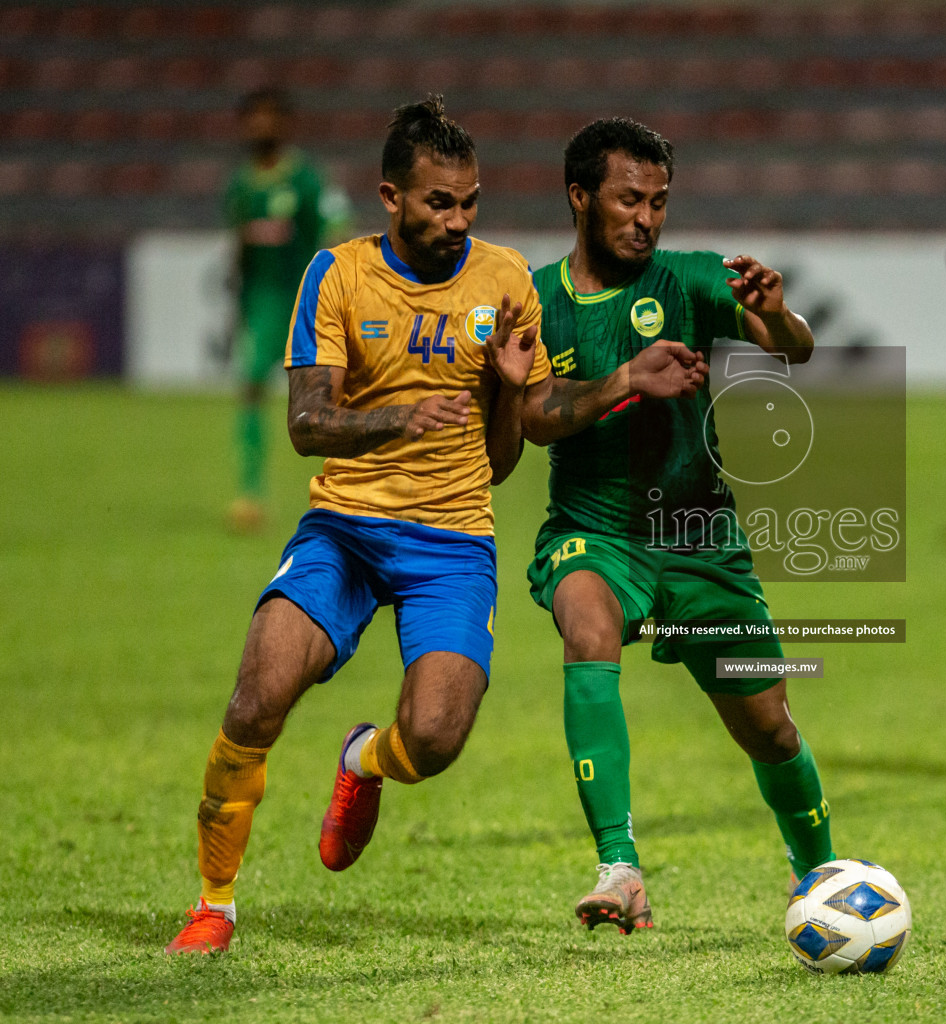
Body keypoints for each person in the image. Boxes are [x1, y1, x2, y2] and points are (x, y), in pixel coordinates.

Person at [165, 97, 702, 955]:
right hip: (342, 527)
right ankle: (214, 904)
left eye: (470, 202)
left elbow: (500, 461)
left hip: (452, 541)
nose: (457, 220)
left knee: (438, 737)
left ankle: (361, 763)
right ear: (390, 197)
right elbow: (307, 423)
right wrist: (397, 418)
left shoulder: (503, 284)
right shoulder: (336, 275)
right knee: (257, 697)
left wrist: (502, 387)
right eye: (438, 203)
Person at [521, 117, 834, 933]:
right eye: (630, 200)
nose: (647, 219)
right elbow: (535, 417)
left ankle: (819, 874)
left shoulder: (692, 280)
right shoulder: (538, 299)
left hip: (699, 542)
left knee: (769, 727)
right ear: (579, 197)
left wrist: (776, 312)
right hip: (594, 532)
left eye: (659, 202)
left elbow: (793, 350)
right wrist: (625, 379)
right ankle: (619, 867)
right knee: (584, 624)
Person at [224, 86, 350, 533]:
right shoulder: (240, 184)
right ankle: (250, 492)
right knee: (252, 390)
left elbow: (335, 225)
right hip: (261, 305)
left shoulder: (305, 179)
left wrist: (334, 290)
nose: (261, 125)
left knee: (332, 397)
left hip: (306, 305)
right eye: (253, 117)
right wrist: (234, 304)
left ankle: (347, 495)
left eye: (269, 116)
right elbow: (238, 247)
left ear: (284, 123)